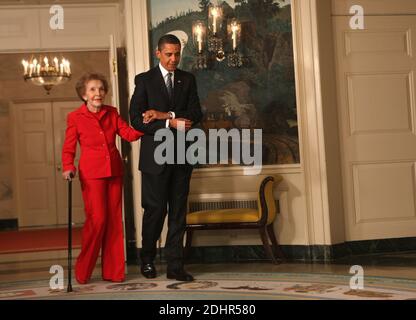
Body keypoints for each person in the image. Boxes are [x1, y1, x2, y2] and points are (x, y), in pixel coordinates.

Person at [129, 34, 203, 281]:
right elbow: (137, 120)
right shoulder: (144, 80)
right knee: (155, 211)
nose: (173, 59)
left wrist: (164, 114)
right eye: (169, 54)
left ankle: (175, 266)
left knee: (178, 213)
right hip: (154, 160)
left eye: (177, 54)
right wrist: (172, 122)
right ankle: (147, 259)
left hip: (182, 158)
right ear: (157, 53)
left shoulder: (188, 79)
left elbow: (195, 114)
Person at [62, 73, 143, 284]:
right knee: (97, 220)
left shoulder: (112, 112)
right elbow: (68, 147)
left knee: (115, 221)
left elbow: (127, 133)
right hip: (91, 175)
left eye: (100, 89)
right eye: (92, 89)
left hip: (115, 172)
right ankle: (83, 271)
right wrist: (68, 166)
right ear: (83, 95)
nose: (97, 93)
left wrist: (146, 126)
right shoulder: (75, 117)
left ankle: (114, 273)